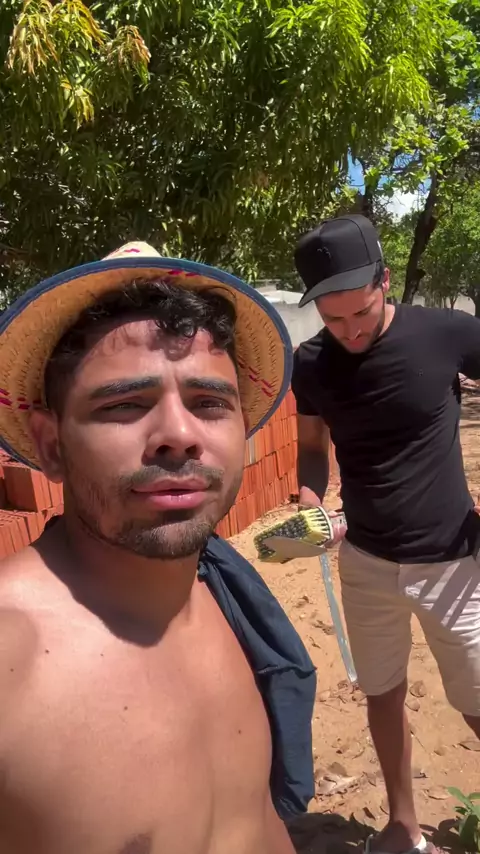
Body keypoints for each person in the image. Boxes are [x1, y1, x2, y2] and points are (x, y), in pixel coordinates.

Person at [0, 242, 316, 854]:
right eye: (124, 404)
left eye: (209, 403)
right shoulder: (12, 660)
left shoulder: (220, 599)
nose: (178, 435)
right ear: (52, 446)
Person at [291, 214, 480, 854]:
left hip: (452, 561)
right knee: (382, 692)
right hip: (365, 561)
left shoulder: (445, 333)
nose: (350, 331)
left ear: (386, 281)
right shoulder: (311, 364)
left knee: (475, 697)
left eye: (362, 313)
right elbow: (312, 448)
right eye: (333, 319)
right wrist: (309, 500)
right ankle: (403, 826)